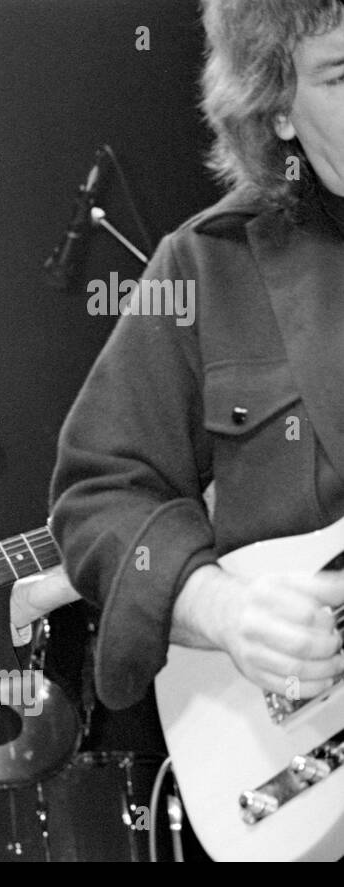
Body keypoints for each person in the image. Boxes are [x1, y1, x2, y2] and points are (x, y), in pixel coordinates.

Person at [50, 0, 344, 716]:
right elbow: (100, 495)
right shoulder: (206, 265)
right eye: (340, 77)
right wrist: (221, 608)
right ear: (278, 111)